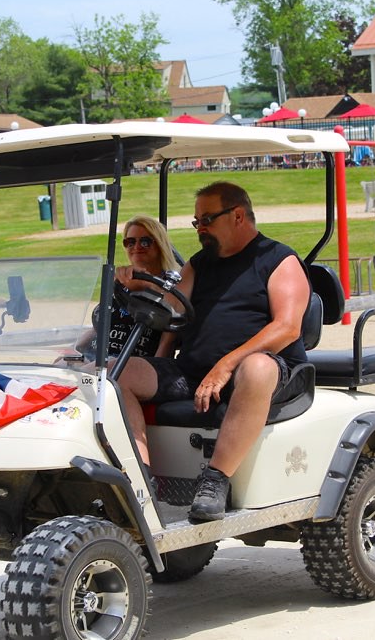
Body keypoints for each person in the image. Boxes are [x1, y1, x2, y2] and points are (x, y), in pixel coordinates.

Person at [117, 181, 309, 521]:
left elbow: (287, 328)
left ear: (238, 216)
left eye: (207, 220)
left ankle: (216, 480)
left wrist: (226, 365)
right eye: (197, 222)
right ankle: (140, 479)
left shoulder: (279, 260)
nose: (200, 228)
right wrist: (140, 283)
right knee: (119, 372)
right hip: (196, 372)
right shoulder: (199, 264)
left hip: (263, 374)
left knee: (256, 367)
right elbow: (172, 308)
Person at [81, 215, 180, 359]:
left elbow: (168, 341)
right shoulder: (122, 281)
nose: (137, 247)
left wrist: (148, 285)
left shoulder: (171, 285)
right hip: (97, 359)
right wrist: (71, 352)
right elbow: (99, 329)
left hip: (131, 365)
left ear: (160, 245)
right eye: (130, 242)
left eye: (145, 242)